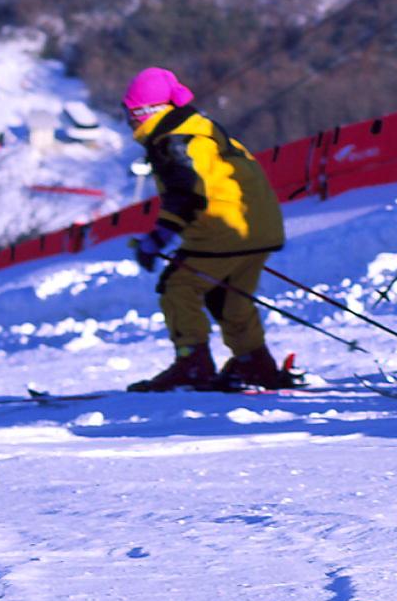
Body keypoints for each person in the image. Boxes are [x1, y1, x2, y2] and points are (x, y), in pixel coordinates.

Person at [123, 67, 293, 392]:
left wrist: (160, 235)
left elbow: (186, 191)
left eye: (129, 112)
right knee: (230, 299)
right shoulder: (202, 129)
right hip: (260, 228)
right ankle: (255, 365)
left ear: (143, 112)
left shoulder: (173, 140)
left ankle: (192, 364)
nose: (128, 121)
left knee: (178, 286)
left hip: (225, 230)